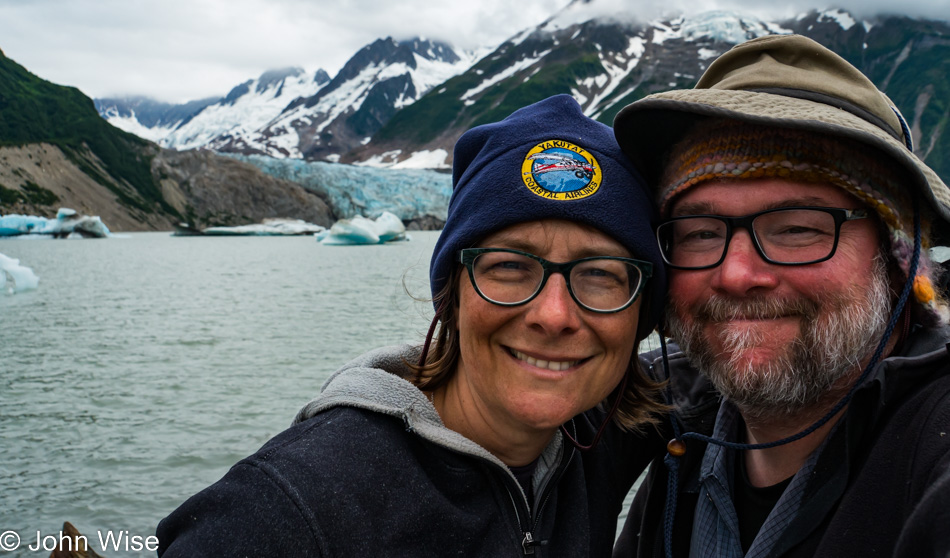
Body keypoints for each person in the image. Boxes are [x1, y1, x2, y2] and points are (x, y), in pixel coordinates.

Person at [157, 94, 669, 557]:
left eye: (600, 274)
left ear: (640, 311)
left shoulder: (603, 432)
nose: (554, 315)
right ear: (452, 295)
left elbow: (712, 370)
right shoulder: (298, 503)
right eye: (509, 266)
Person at [611, 34, 950, 558]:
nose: (737, 274)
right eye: (700, 233)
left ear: (897, 260)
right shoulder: (674, 421)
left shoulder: (935, 445)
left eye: (796, 229)